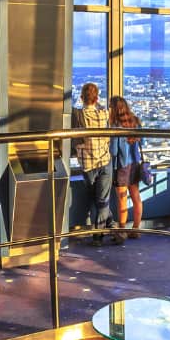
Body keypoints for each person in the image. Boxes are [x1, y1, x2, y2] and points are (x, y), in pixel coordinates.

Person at [73, 82, 122, 246]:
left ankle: (98, 236)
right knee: (102, 200)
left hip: (87, 164)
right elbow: (100, 106)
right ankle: (113, 228)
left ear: (81, 97)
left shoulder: (78, 115)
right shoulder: (103, 113)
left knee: (99, 200)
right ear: (96, 99)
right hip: (104, 161)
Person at [108, 96, 144, 239]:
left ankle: (122, 230)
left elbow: (113, 150)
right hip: (135, 163)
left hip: (122, 166)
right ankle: (136, 228)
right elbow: (142, 141)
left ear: (114, 109)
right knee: (136, 197)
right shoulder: (136, 121)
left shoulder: (116, 126)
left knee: (122, 199)